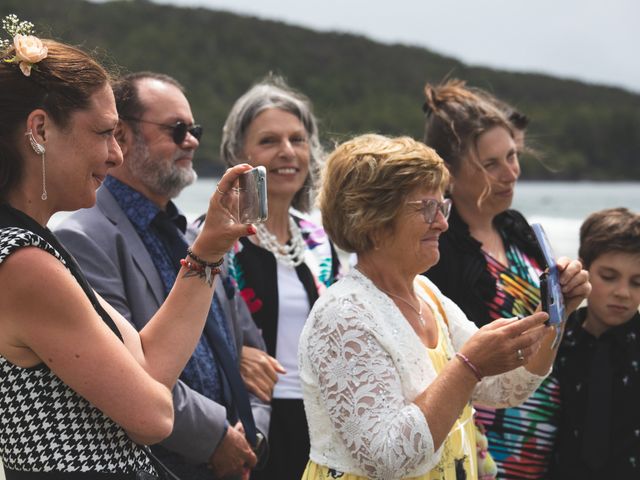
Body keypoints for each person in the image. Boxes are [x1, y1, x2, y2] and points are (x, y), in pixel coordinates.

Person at [0, 18, 253, 479]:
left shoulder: (31, 248)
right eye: (103, 134)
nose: (116, 156)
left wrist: (209, 249)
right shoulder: (23, 263)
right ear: (39, 130)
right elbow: (153, 418)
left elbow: (150, 365)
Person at [298, 134, 590, 480]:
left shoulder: (426, 293)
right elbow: (388, 458)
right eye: (426, 208)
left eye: (443, 207)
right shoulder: (342, 316)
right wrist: (468, 367)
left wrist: (557, 317)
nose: (443, 223)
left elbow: (507, 387)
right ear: (371, 221)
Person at [55, 71, 270, 479]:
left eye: (195, 130)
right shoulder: (82, 236)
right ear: (122, 135)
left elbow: (252, 351)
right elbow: (125, 368)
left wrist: (252, 429)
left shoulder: (194, 232)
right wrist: (217, 438)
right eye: (177, 130)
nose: (191, 141)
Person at [422, 79, 557, 479]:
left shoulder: (518, 230)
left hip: (542, 430)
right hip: (483, 442)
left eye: (512, 156)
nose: (510, 173)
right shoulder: (438, 251)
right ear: (449, 171)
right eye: (491, 164)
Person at [216, 75, 341, 479]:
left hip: (323, 420)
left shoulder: (323, 240)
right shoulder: (215, 237)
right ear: (239, 153)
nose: (287, 152)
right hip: (250, 421)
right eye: (269, 141)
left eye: (297, 139)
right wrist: (234, 352)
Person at [550, 207, 640, 479]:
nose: (622, 293)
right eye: (609, 277)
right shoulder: (553, 340)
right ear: (583, 269)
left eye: (637, 282)